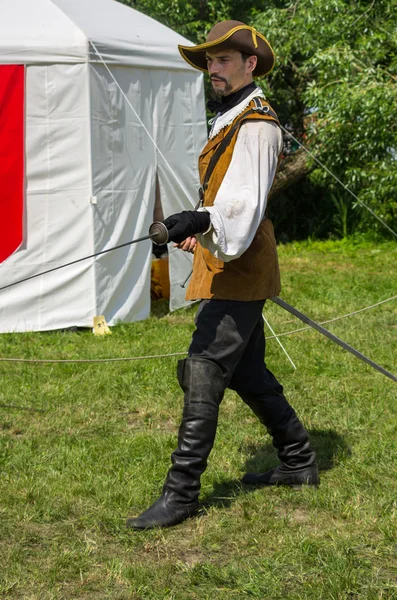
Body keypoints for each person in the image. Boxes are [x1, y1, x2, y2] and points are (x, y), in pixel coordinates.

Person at [127, 20, 318, 531]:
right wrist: (197, 223)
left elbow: (243, 207)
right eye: (209, 61)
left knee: (204, 366)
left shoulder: (257, 125)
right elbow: (221, 199)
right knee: (248, 373)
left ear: (249, 64)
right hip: (230, 260)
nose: (213, 69)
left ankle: (182, 493)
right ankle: (299, 461)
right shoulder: (231, 118)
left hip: (243, 265)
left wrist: (206, 221)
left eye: (223, 60)